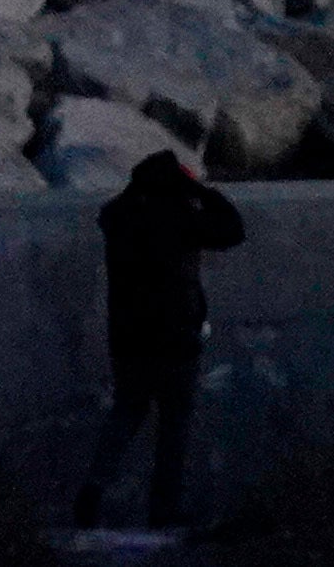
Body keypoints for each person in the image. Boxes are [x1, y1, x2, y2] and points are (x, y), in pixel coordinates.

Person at [76, 150, 250, 531]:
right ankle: (163, 510)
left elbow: (111, 208)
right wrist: (199, 189)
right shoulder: (180, 217)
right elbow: (233, 229)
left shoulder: (120, 217)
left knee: (127, 413)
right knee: (174, 425)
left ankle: (91, 493)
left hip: (128, 335)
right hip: (175, 335)